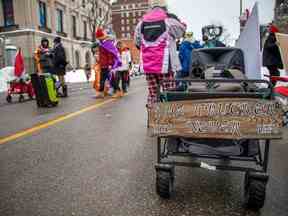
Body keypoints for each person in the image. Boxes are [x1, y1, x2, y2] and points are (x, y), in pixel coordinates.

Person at [134, 6, 186, 106]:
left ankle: (154, 116)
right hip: (166, 65)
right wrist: (182, 25)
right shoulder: (169, 22)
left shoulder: (141, 24)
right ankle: (170, 116)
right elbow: (180, 32)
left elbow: (137, 42)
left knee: (153, 93)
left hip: (148, 65)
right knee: (169, 92)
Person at [95, 28, 121, 98]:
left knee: (111, 79)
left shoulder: (107, 43)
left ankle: (118, 91)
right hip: (103, 65)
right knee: (102, 80)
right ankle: (101, 92)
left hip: (107, 65)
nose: (98, 39)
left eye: (99, 38)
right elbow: (102, 55)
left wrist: (110, 64)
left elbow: (110, 54)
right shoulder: (102, 43)